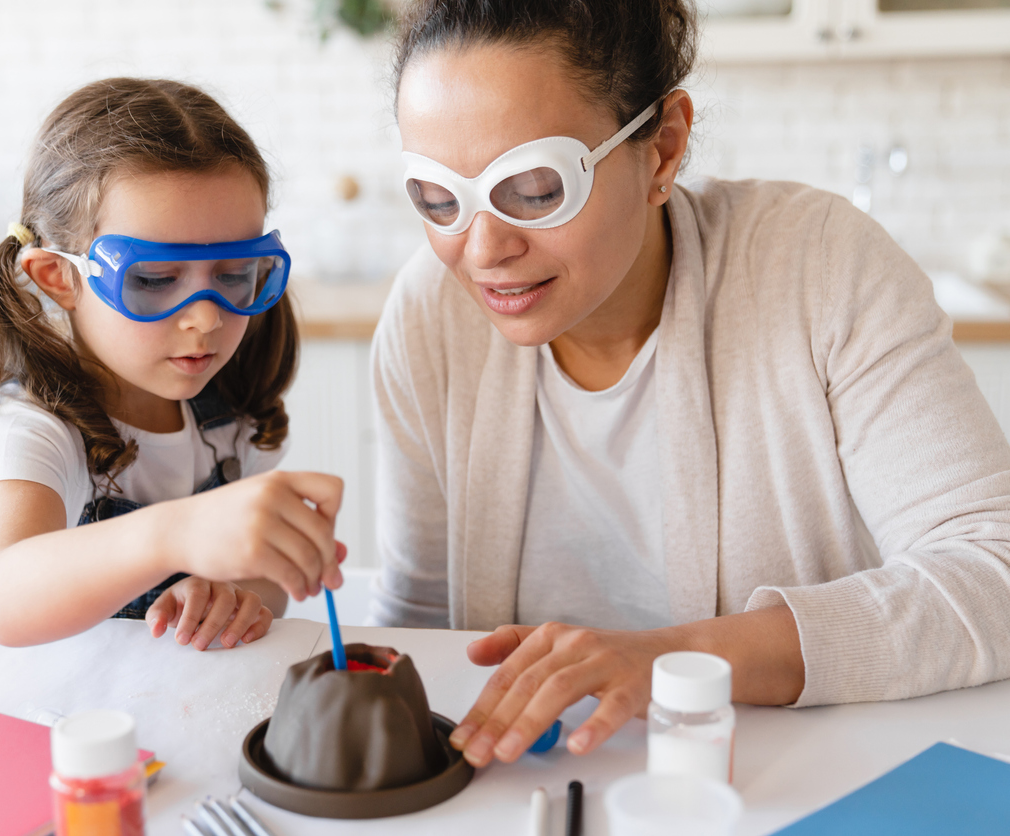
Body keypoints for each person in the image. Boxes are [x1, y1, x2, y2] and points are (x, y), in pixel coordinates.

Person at [371, 0, 1010, 769]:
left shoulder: (819, 267)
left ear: (664, 148)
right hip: (532, 789)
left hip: (800, 784)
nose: (483, 249)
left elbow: (994, 573)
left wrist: (675, 660)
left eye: (535, 187)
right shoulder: (430, 314)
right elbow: (417, 631)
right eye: (438, 200)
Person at [0, 78, 345, 649]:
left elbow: (262, 577)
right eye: (155, 280)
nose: (205, 320)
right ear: (59, 276)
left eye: (234, 273)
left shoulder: (229, 411)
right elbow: (3, 597)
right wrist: (176, 534)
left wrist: (232, 596)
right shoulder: (30, 430)